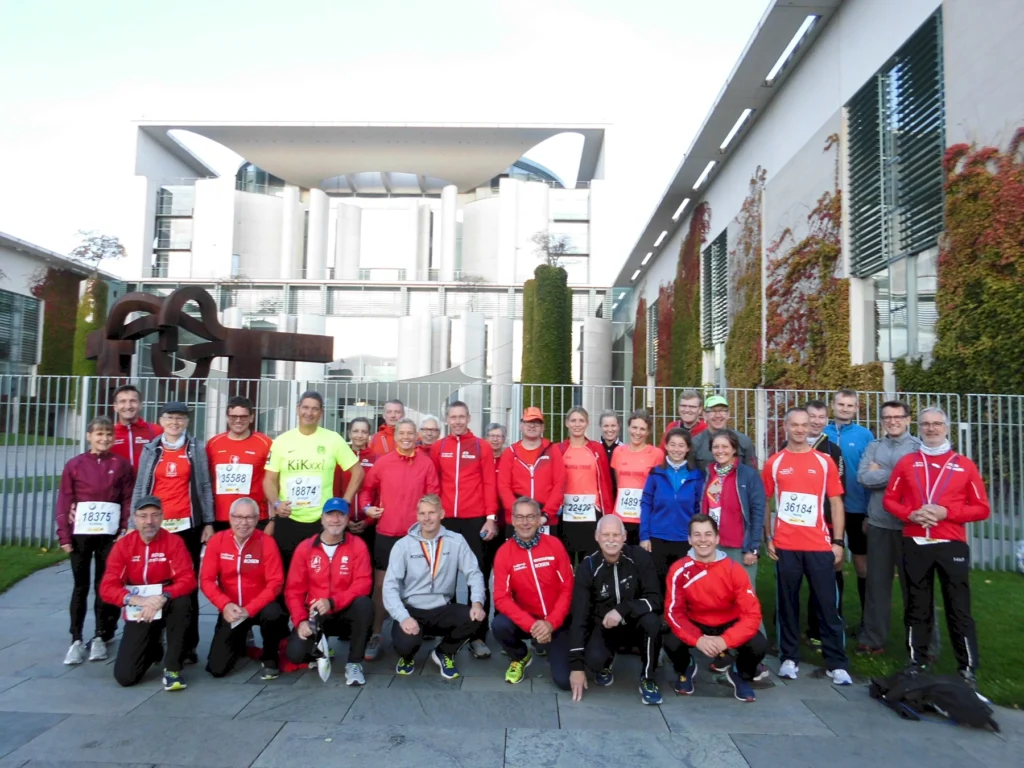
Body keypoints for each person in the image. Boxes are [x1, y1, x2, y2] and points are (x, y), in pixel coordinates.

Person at [884, 407, 990, 688]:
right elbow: (890, 501)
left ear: (947, 427)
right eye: (926, 424)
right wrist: (911, 514)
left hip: (950, 543)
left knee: (959, 608)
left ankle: (967, 667)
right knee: (917, 606)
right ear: (918, 427)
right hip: (915, 541)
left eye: (937, 424)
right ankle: (916, 662)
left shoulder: (964, 464)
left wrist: (946, 512)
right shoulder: (907, 462)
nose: (931, 429)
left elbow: (982, 508)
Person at [763, 407, 852, 685]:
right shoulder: (775, 463)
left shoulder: (824, 461)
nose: (800, 429)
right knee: (787, 605)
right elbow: (765, 503)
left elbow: (837, 503)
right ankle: (789, 658)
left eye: (804, 425)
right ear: (786, 427)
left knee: (827, 606)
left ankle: (836, 662)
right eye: (795, 425)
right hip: (786, 546)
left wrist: (838, 542)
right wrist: (768, 538)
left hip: (819, 546)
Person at [133, 401, 214, 665]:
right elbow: (141, 486)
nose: (175, 422)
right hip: (156, 527)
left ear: (187, 422)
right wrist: (134, 524)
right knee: (155, 582)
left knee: (187, 586)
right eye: (170, 418)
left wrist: (208, 522)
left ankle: (188, 645)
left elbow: (203, 485)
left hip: (187, 527)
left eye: (180, 418)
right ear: (161, 419)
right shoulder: (151, 448)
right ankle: (153, 640)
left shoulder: (196, 448)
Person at [858, 400, 938, 657]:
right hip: (880, 524)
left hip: (911, 526)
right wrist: (901, 472)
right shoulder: (874, 446)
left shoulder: (920, 448)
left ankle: (925, 646)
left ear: (907, 419)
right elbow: (863, 478)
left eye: (897, 416)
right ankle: (873, 640)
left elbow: (921, 481)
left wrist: (883, 471)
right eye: (887, 417)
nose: (892, 421)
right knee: (876, 586)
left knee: (917, 586)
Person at [359, 418, 440, 661]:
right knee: (383, 586)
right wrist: (366, 509)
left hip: (416, 536)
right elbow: (366, 490)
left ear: (416, 436)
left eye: (410, 432)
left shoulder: (426, 464)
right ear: (395, 437)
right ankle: (376, 634)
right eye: (401, 433)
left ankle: (414, 630)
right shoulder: (383, 463)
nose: (405, 436)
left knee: (419, 584)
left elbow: (434, 497)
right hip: (386, 533)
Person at [382, 495, 486, 680]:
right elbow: (389, 587)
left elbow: (474, 573)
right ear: (417, 516)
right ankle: (408, 656)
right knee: (406, 645)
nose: (427, 518)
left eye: (431, 512)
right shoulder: (403, 545)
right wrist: (403, 617)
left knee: (476, 618)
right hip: (412, 610)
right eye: (422, 513)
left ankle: (444, 652)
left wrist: (477, 602)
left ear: (441, 514)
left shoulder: (456, 540)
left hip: (442, 608)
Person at [56, 416, 134, 665]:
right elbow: (65, 500)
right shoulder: (75, 464)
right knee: (80, 585)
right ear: (89, 436)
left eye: (108, 434)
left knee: (105, 585)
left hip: (108, 536)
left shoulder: (121, 465)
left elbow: (127, 499)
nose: (104, 439)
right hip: (80, 534)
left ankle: (100, 636)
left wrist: (124, 528)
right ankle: (76, 639)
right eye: (99, 434)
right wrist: (63, 534)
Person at [664, 515, 766, 702]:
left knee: (758, 643)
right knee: (669, 637)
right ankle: (685, 667)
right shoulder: (679, 570)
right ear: (689, 539)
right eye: (697, 535)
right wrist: (697, 639)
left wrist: (725, 641)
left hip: (727, 623)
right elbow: (673, 612)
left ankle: (739, 674)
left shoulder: (734, 570)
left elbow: (752, 614)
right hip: (696, 622)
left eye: (708, 534)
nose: (703, 540)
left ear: (717, 538)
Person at [99, 496, 197, 691]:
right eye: (143, 516)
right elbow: (107, 587)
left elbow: (188, 579)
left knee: (183, 602)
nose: (149, 521)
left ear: (162, 517)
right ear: (135, 518)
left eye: (154, 515)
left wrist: (163, 597)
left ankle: (173, 669)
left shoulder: (174, 542)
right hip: (139, 606)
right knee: (125, 677)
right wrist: (136, 600)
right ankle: (153, 647)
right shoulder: (123, 546)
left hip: (165, 601)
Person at [568, 515, 664, 706]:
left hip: (636, 624)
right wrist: (576, 666)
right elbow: (579, 615)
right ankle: (606, 662)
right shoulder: (588, 566)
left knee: (652, 621)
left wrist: (623, 609)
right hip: (605, 627)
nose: (611, 540)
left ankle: (648, 678)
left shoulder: (639, 557)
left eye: (615, 535)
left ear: (624, 536)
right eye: (605, 535)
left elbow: (655, 599)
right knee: (594, 661)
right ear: (596, 536)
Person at [263, 390, 362, 572]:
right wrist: (276, 503)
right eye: (305, 408)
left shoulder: (333, 439)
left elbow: (358, 472)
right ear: (297, 409)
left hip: (321, 520)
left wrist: (344, 502)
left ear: (321, 412)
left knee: (319, 573)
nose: (309, 413)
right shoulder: (281, 441)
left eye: (315, 409)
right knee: (287, 573)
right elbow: (269, 479)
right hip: (289, 519)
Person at [430, 401, 499, 659]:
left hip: (474, 519)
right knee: (443, 575)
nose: (458, 421)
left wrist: (490, 518)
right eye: (453, 417)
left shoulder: (482, 446)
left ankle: (479, 635)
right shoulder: (439, 447)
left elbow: (489, 483)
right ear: (447, 419)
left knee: (478, 575)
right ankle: (444, 628)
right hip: (447, 520)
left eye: (462, 416)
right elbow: (434, 484)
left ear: (469, 417)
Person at [284, 497, 374, 686]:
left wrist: (333, 601)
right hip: (316, 615)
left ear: (347, 519)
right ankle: (320, 648)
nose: (335, 520)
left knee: (364, 605)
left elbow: (363, 583)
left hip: (345, 612)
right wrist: (300, 621)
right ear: (322, 519)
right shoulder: (306, 547)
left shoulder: (357, 545)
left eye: (340, 515)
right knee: (295, 654)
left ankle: (354, 663)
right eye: (330, 515)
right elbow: (294, 590)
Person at [200, 498, 287, 680]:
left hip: (260, 607)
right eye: (238, 517)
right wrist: (224, 605)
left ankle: (270, 656)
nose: (243, 522)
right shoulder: (217, 541)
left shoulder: (266, 542)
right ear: (230, 518)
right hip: (232, 609)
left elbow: (276, 582)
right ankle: (240, 643)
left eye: (249, 517)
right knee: (217, 668)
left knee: (274, 612)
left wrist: (250, 609)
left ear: (257, 520)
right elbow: (206, 580)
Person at [491, 497, 574, 687]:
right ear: (512, 520)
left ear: (539, 520)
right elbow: (501, 598)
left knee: (564, 682)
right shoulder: (504, 553)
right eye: (519, 517)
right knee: (499, 625)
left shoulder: (554, 545)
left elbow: (567, 587)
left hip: (557, 621)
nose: (525, 522)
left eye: (530, 517)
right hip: (527, 620)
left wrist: (551, 623)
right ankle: (520, 656)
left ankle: (548, 644)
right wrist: (533, 625)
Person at [823, 388, 873, 615]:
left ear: (856, 408)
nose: (845, 409)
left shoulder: (865, 436)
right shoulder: (821, 433)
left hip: (857, 507)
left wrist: (869, 512)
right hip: (828, 509)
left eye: (849, 405)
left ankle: (867, 619)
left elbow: (873, 474)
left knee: (862, 564)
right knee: (834, 561)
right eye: (841, 404)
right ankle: (836, 616)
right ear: (833, 406)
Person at [801, 399, 847, 648]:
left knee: (828, 578)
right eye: (812, 416)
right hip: (796, 526)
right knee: (794, 578)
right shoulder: (789, 446)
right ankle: (795, 627)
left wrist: (837, 532)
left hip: (825, 525)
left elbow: (839, 493)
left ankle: (824, 629)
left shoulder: (833, 450)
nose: (816, 421)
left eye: (821, 417)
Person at [701, 430, 766, 586]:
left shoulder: (748, 475)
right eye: (716, 447)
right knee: (715, 594)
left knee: (743, 595)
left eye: (725, 446)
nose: (720, 451)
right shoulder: (709, 474)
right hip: (713, 545)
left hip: (739, 547)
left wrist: (753, 547)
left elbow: (758, 512)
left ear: (734, 449)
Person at [639, 427, 704, 584]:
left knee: (682, 583)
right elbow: (646, 505)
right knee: (658, 582)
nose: (676, 449)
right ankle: (660, 609)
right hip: (658, 537)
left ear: (688, 448)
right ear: (666, 446)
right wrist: (644, 536)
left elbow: (698, 509)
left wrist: (696, 537)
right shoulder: (656, 473)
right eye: (673, 444)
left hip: (684, 539)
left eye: (681, 445)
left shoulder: (695, 476)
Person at [206, 396, 273, 533]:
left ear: (251, 417)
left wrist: (272, 520)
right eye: (233, 416)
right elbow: (206, 482)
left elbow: (273, 481)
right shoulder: (213, 444)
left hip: (254, 517)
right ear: (226, 417)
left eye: (243, 416)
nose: (238, 420)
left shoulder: (265, 443)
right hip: (221, 517)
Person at [557, 407, 615, 560]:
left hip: (591, 513)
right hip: (566, 514)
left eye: (581, 420)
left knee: (589, 561)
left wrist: (606, 512)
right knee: (565, 559)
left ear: (587, 423)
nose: (577, 424)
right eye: (573, 420)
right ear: (566, 423)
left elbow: (605, 482)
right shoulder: (559, 450)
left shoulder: (596, 449)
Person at [498, 407, 566, 538]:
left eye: (537, 422)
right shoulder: (510, 452)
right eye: (528, 422)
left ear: (543, 427)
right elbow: (503, 486)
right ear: (521, 425)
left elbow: (560, 485)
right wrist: (519, 514)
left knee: (545, 557)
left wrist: (546, 515)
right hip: (516, 519)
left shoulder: (553, 450)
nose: (532, 426)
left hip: (546, 519)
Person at [610, 409, 664, 545]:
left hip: (644, 517)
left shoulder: (656, 454)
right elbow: (618, 483)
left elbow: (658, 487)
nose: (637, 432)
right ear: (628, 428)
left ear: (648, 432)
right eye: (634, 427)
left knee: (642, 560)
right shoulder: (618, 452)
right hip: (621, 516)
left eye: (642, 429)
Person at [334, 417, 377, 552]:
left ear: (369, 434)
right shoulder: (341, 457)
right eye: (355, 431)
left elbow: (379, 492)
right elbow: (335, 490)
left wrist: (369, 521)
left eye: (364, 432)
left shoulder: (377, 458)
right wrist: (344, 520)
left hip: (369, 523)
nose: (359, 435)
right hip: (344, 522)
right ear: (349, 434)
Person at [690, 395, 757, 471]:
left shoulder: (744, 441)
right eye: (713, 411)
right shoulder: (695, 443)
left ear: (728, 414)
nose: (718, 415)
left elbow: (753, 475)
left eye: (722, 410)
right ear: (704, 415)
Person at [110, 384, 162, 474]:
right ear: (115, 407)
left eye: (133, 401)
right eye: (122, 401)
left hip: (148, 487)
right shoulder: (108, 433)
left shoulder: (156, 431)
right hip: (118, 487)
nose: (128, 406)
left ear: (140, 405)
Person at [598, 411, 622, 496]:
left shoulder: (624, 450)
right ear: (600, 427)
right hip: (600, 498)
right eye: (606, 426)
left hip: (619, 497)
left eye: (613, 426)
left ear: (619, 426)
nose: (610, 430)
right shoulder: (594, 449)